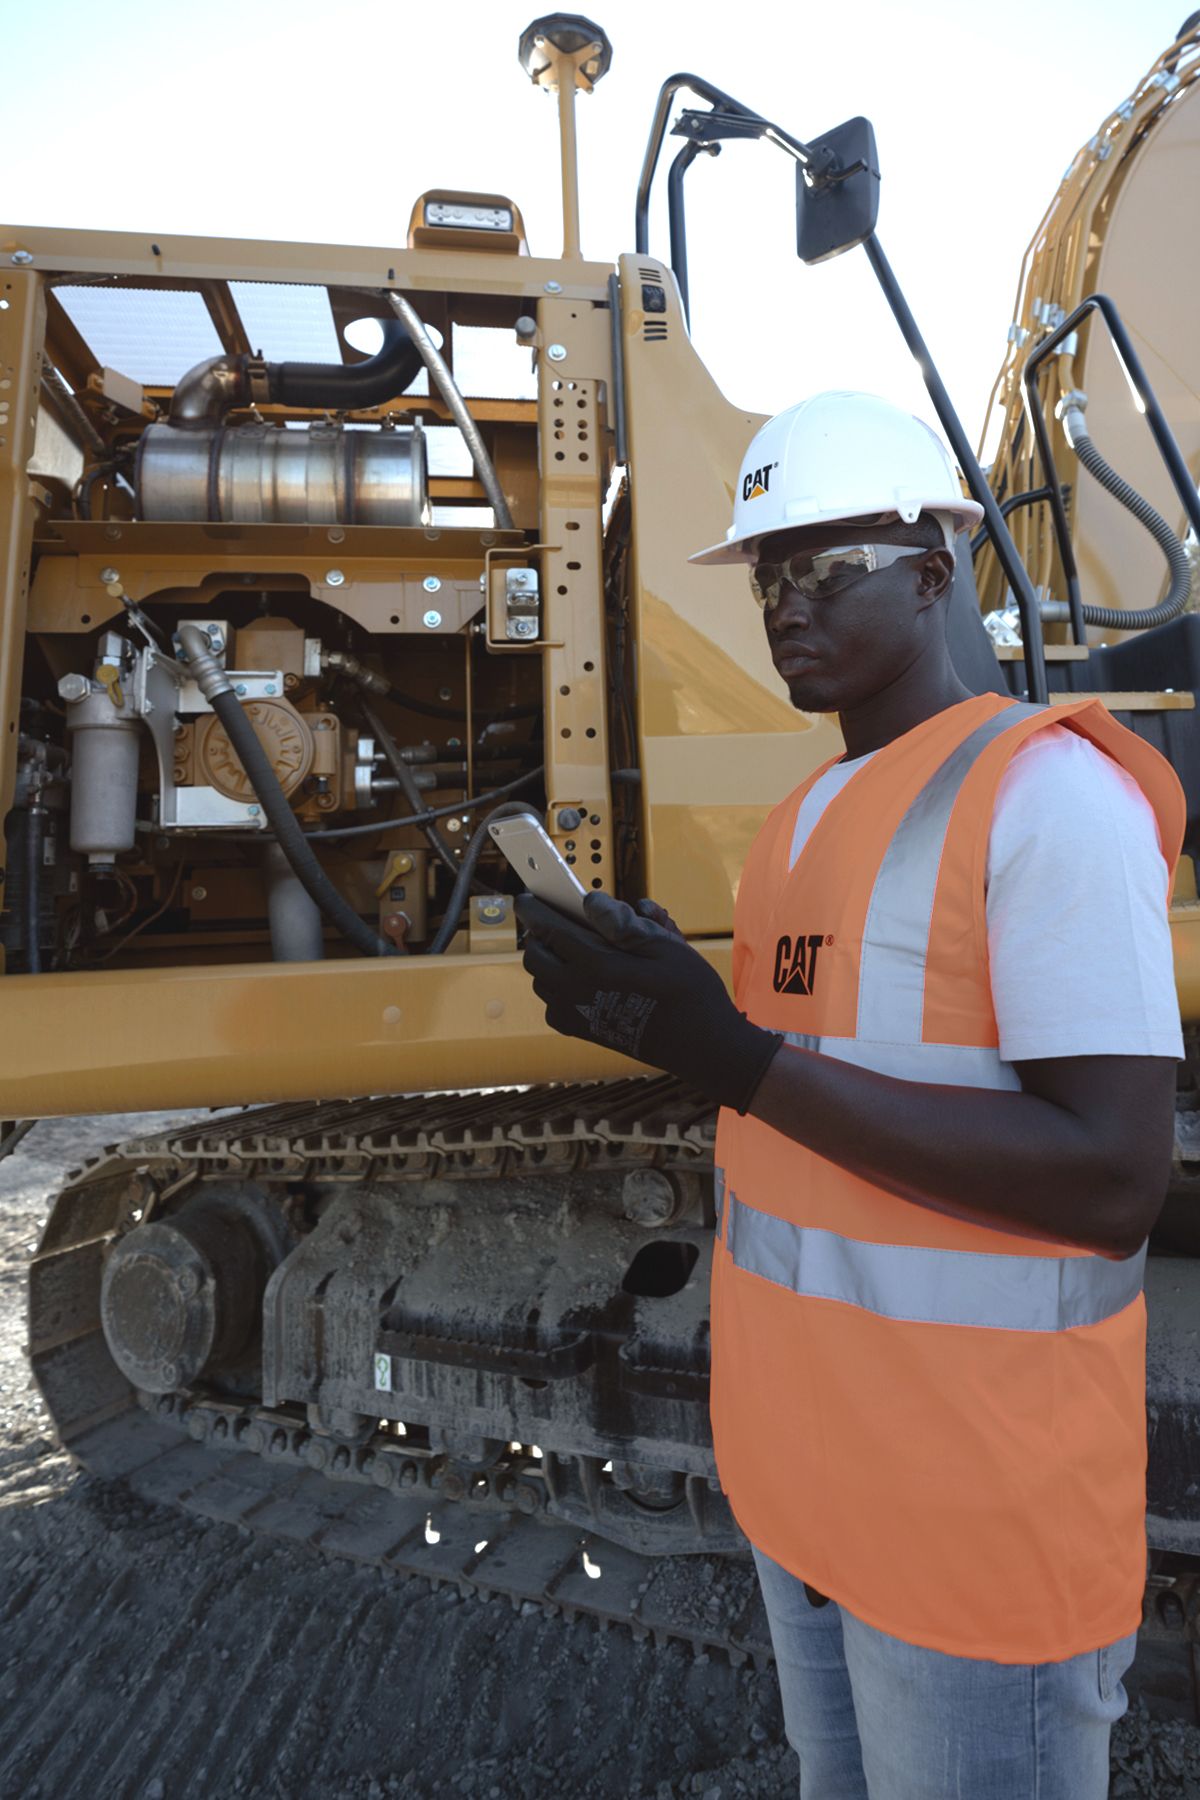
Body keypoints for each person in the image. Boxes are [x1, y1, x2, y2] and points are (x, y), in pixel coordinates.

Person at [517, 391, 1187, 1796]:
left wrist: (731, 1056)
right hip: (815, 1495)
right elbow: (821, 1094)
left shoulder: (1049, 800)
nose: (785, 603)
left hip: (968, 1521)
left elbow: (1113, 1176)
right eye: (768, 573)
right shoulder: (809, 820)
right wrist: (653, 988)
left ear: (934, 575)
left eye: (827, 568)